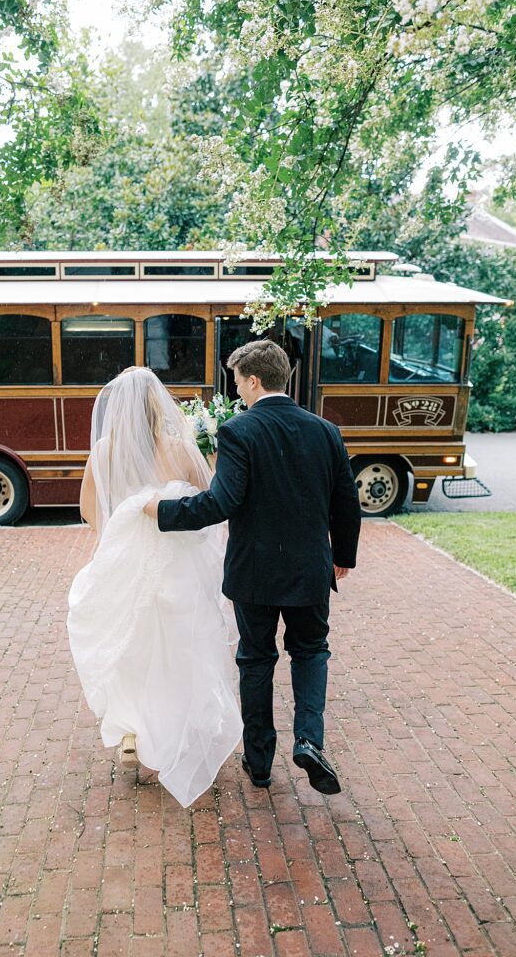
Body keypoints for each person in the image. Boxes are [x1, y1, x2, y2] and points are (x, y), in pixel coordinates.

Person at [144, 340, 361, 794]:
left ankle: (259, 763)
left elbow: (220, 503)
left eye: (238, 380)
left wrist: (161, 511)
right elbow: (346, 502)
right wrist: (342, 555)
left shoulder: (240, 431)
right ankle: (309, 740)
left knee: (257, 660)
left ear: (255, 379)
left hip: (255, 573)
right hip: (310, 569)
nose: (237, 390)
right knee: (310, 651)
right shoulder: (326, 430)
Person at [67, 366, 243, 808]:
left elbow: (91, 513)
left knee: (133, 645)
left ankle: (132, 729)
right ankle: (174, 733)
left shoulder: (103, 453)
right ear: (158, 404)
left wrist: (125, 524)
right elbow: (210, 503)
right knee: (180, 647)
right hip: (179, 564)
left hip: (127, 562)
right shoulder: (182, 449)